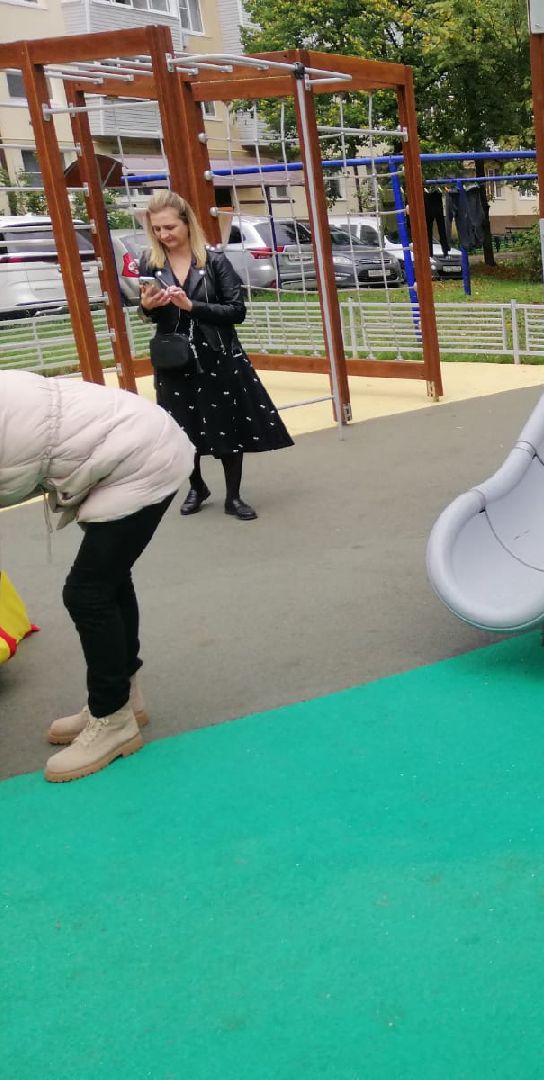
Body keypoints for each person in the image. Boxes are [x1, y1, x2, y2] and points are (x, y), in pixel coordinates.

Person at [0, 370, 194, 782]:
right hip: (131, 444)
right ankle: (125, 698)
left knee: (86, 593)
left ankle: (113, 721)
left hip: (142, 457)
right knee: (109, 581)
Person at [138, 191, 292, 521]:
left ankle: (233, 497)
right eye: (157, 230)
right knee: (181, 429)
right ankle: (197, 486)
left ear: (187, 223)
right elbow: (148, 313)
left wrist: (192, 306)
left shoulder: (214, 261)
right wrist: (146, 308)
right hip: (174, 359)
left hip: (216, 355)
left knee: (226, 425)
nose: (164, 235)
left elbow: (236, 311)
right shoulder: (151, 263)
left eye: (169, 227)